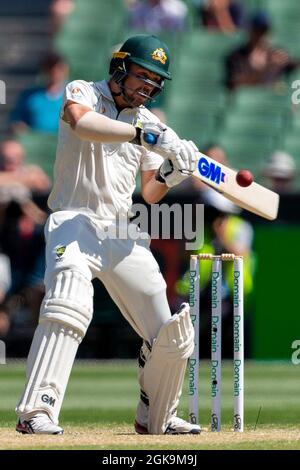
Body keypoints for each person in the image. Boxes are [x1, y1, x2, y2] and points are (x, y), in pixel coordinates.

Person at [15, 34, 201, 435]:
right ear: (119, 68)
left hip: (120, 229)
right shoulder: (83, 91)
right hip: (74, 221)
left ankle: (157, 417)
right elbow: (80, 122)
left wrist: (173, 172)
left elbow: (150, 192)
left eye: (155, 82)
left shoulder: (150, 122)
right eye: (141, 76)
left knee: (171, 331)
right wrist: (146, 136)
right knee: (68, 302)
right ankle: (36, 412)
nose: (147, 87)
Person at [225, 12, 299, 90]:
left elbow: (294, 68)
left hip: (272, 99)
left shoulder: (276, 54)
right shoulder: (237, 56)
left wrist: (283, 64)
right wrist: (266, 70)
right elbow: (234, 83)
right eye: (258, 31)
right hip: (247, 99)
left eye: (264, 31)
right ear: (250, 30)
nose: (261, 35)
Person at [10, 53, 69, 134]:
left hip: (63, 140)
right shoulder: (29, 95)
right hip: (35, 141)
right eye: (49, 67)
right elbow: (17, 119)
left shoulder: (73, 95)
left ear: (65, 69)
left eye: (58, 68)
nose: (54, 71)